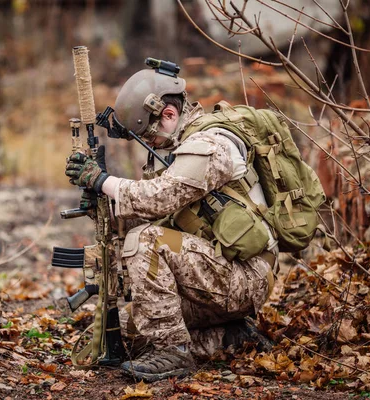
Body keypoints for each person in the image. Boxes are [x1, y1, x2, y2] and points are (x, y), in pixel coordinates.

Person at [65, 64, 278, 382]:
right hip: (213, 273)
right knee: (126, 332)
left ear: (167, 114)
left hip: (246, 276)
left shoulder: (212, 144)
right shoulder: (180, 148)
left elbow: (158, 199)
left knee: (146, 242)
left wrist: (103, 181)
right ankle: (230, 336)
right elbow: (150, 212)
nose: (150, 144)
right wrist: (103, 204)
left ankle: (173, 353)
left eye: (148, 135)